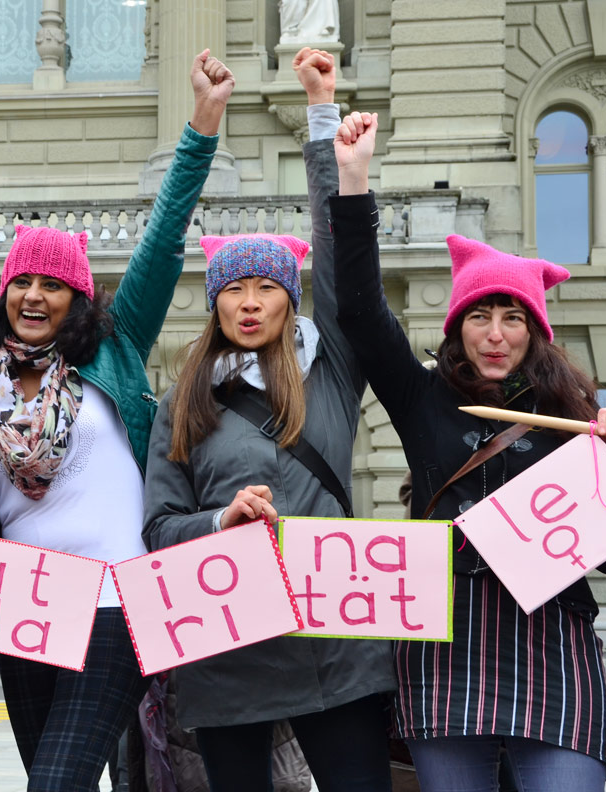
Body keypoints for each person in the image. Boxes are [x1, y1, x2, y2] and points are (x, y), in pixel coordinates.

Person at [330, 109, 606, 790]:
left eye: (512, 318)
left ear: (536, 332)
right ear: (457, 328)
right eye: (480, 315)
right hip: (446, 646)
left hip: (553, 645)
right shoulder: (421, 401)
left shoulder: (580, 416)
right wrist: (353, 181)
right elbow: (357, 311)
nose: (495, 333)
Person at [0, 49, 231, 791]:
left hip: (115, 603)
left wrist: (201, 125)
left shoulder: (113, 348)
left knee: (55, 783)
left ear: (80, 300)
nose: (36, 296)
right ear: (4, 294)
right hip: (20, 604)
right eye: (23, 282)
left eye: (54, 284)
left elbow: (164, 235)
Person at [140, 48, 395, 792]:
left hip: (334, 649)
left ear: (289, 299)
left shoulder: (333, 367)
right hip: (229, 655)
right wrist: (221, 522)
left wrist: (324, 115)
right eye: (234, 289)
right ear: (215, 302)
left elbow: (342, 254)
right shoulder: (181, 403)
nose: (249, 302)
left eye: (266, 287)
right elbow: (158, 530)